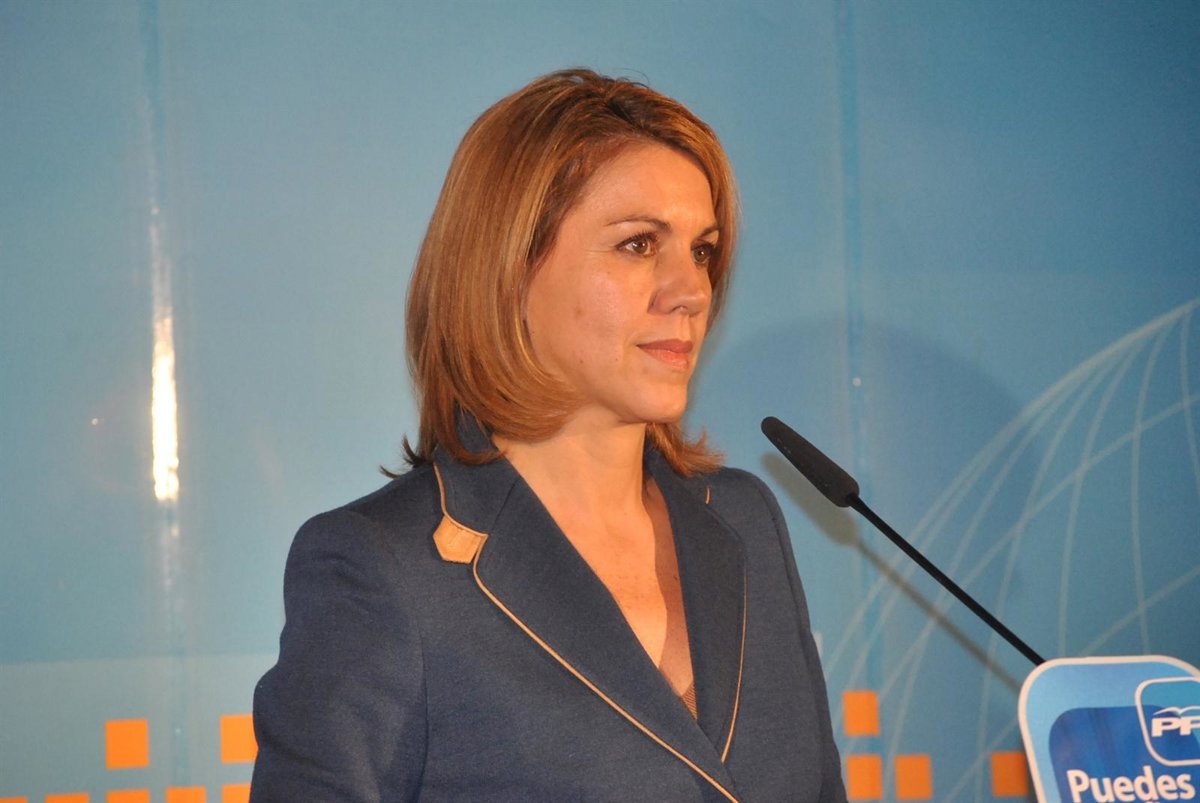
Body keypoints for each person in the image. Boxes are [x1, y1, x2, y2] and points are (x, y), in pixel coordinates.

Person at [251, 68, 846, 802]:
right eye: (638, 245)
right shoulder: (385, 568)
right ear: (509, 270)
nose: (692, 291)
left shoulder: (744, 520)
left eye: (701, 250)